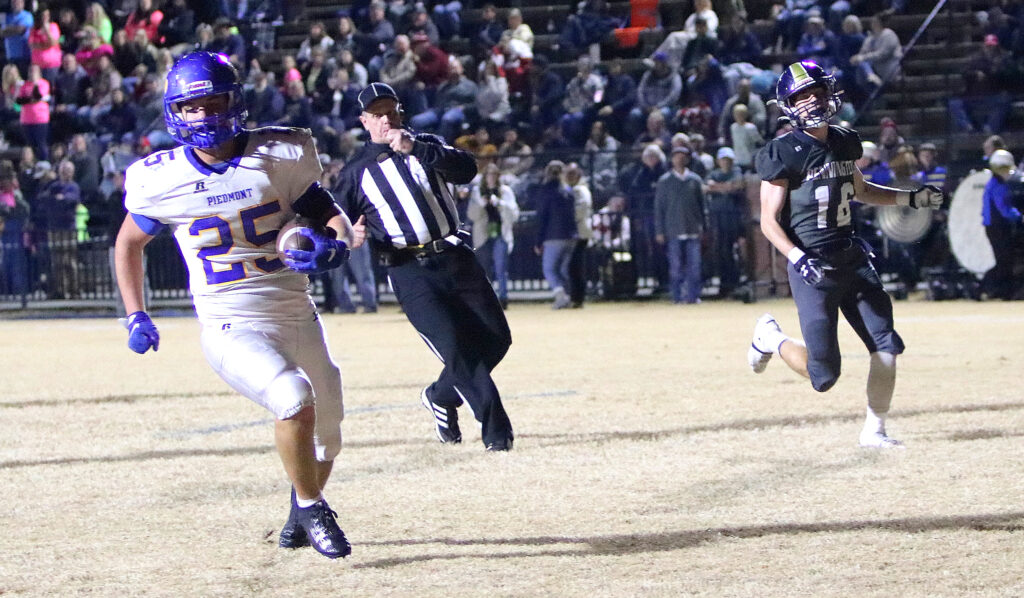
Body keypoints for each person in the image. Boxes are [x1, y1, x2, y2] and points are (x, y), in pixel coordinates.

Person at [113, 52, 355, 559]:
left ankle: (302, 503)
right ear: (175, 110)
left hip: (295, 311)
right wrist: (136, 312)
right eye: (191, 106)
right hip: (229, 320)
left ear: (235, 99)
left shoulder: (281, 154)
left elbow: (332, 217)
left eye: (212, 101)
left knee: (327, 432)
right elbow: (128, 242)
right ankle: (313, 505)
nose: (203, 115)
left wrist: (332, 245)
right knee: (293, 397)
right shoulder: (160, 177)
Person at [748, 61, 943, 448]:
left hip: (852, 257)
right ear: (787, 105)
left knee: (886, 345)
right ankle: (770, 338)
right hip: (813, 267)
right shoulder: (782, 152)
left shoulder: (844, 140)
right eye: (802, 96)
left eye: (817, 92)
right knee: (823, 376)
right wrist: (797, 257)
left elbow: (862, 190)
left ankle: (875, 430)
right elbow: (768, 221)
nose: (812, 101)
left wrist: (911, 198)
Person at [333, 81, 515, 451]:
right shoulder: (356, 172)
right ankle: (498, 434)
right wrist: (347, 233)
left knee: (497, 339)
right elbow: (333, 219)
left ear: (400, 111)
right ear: (364, 121)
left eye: (391, 110)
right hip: (409, 268)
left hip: (455, 255)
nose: (386, 119)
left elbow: (467, 169)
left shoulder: (426, 143)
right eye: (377, 114)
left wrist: (418, 148)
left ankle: (440, 395)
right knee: (457, 350)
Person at [654, 146, 705, 304]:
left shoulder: (695, 180)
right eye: (677, 156)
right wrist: (659, 231)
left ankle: (693, 296)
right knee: (675, 268)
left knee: (694, 267)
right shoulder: (665, 181)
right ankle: (676, 297)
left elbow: (702, 206)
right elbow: (659, 208)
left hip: (692, 229)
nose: (680, 159)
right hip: (673, 230)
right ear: (672, 159)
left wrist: (703, 227)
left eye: (683, 156)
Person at [467, 163, 519, 310]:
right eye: (488, 175)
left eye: (494, 175)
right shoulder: (477, 191)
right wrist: (481, 205)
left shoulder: (505, 191)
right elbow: (471, 215)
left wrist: (500, 203)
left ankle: (503, 298)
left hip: (500, 233)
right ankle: (487, 298)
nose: (491, 178)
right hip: (483, 234)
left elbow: (514, 213)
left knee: (500, 267)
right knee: (484, 268)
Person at [980, 149, 1024, 300]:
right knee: (1005, 259)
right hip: (998, 227)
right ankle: (996, 290)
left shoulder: (994, 183)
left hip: (992, 226)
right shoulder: (998, 186)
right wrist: (1020, 217)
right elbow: (1004, 210)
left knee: (1003, 259)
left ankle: (996, 290)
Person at [533, 159, 577, 310]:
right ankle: (570, 297)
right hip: (570, 235)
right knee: (564, 269)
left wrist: (538, 241)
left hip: (553, 236)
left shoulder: (546, 191)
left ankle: (561, 297)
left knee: (549, 269)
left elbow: (542, 218)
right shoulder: (568, 191)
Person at [565, 162, 593, 308]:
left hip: (580, 232)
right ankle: (576, 297)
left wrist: (568, 218)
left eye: (572, 173)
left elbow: (580, 210)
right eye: (567, 173)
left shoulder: (579, 190)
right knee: (573, 266)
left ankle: (578, 297)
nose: (569, 177)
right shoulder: (574, 189)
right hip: (577, 232)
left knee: (576, 266)